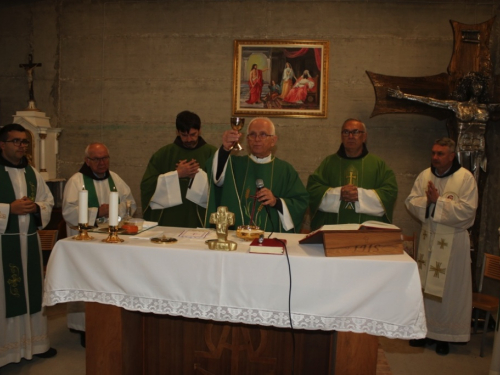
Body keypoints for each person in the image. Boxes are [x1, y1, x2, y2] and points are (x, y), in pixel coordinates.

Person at [406, 137, 478, 356]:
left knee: (449, 291)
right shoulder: (424, 176)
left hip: (453, 243)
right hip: (429, 241)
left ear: (451, 156)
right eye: (433, 153)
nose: (435, 157)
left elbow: (468, 211)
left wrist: (439, 202)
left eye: (440, 154)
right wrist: (427, 202)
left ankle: (444, 336)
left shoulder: (465, 178)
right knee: (426, 290)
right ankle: (424, 332)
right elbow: (411, 201)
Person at [62, 142, 136, 343]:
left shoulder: (116, 179)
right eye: (97, 159)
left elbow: (131, 204)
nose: (102, 163)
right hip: (86, 245)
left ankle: (111, 324)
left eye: (105, 158)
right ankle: (85, 328)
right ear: (87, 160)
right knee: (88, 282)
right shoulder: (76, 182)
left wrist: (115, 210)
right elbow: (68, 212)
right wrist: (97, 212)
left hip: (111, 244)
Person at [0, 124, 56, 367]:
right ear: (2, 144)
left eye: (24, 142)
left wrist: (37, 207)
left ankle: (36, 343)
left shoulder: (32, 172)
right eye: (16, 141)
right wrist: (7, 210)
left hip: (30, 242)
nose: (21, 146)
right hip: (4, 243)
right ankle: (6, 351)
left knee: (33, 291)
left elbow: (48, 201)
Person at [388, 72, 500, 180]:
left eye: (480, 84)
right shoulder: (458, 106)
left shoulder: (486, 108)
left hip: (479, 146)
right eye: (475, 84)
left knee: (477, 179)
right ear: (469, 86)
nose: (478, 87)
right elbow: (431, 101)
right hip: (462, 146)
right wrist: (405, 96)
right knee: (459, 177)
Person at [205, 117, 308, 232]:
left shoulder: (285, 170)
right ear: (247, 139)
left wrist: (276, 201)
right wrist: (225, 149)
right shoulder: (235, 164)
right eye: (252, 135)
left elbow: (301, 202)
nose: (257, 139)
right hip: (237, 237)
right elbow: (216, 178)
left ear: (273, 140)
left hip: (271, 238)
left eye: (263, 134)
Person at [307, 118, 398, 230]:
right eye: (346, 132)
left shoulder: (378, 165)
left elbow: (389, 193)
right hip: (333, 232)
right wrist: (338, 194)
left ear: (364, 137)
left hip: (367, 235)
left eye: (355, 132)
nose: (350, 136)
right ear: (341, 136)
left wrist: (359, 195)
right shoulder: (329, 163)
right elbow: (312, 191)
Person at [141, 110, 217, 227]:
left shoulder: (212, 154)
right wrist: (177, 175)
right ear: (177, 132)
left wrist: (198, 177)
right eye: (184, 135)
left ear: (200, 130)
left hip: (199, 218)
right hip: (169, 219)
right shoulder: (163, 154)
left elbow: (222, 185)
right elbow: (147, 185)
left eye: (193, 134)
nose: (188, 140)